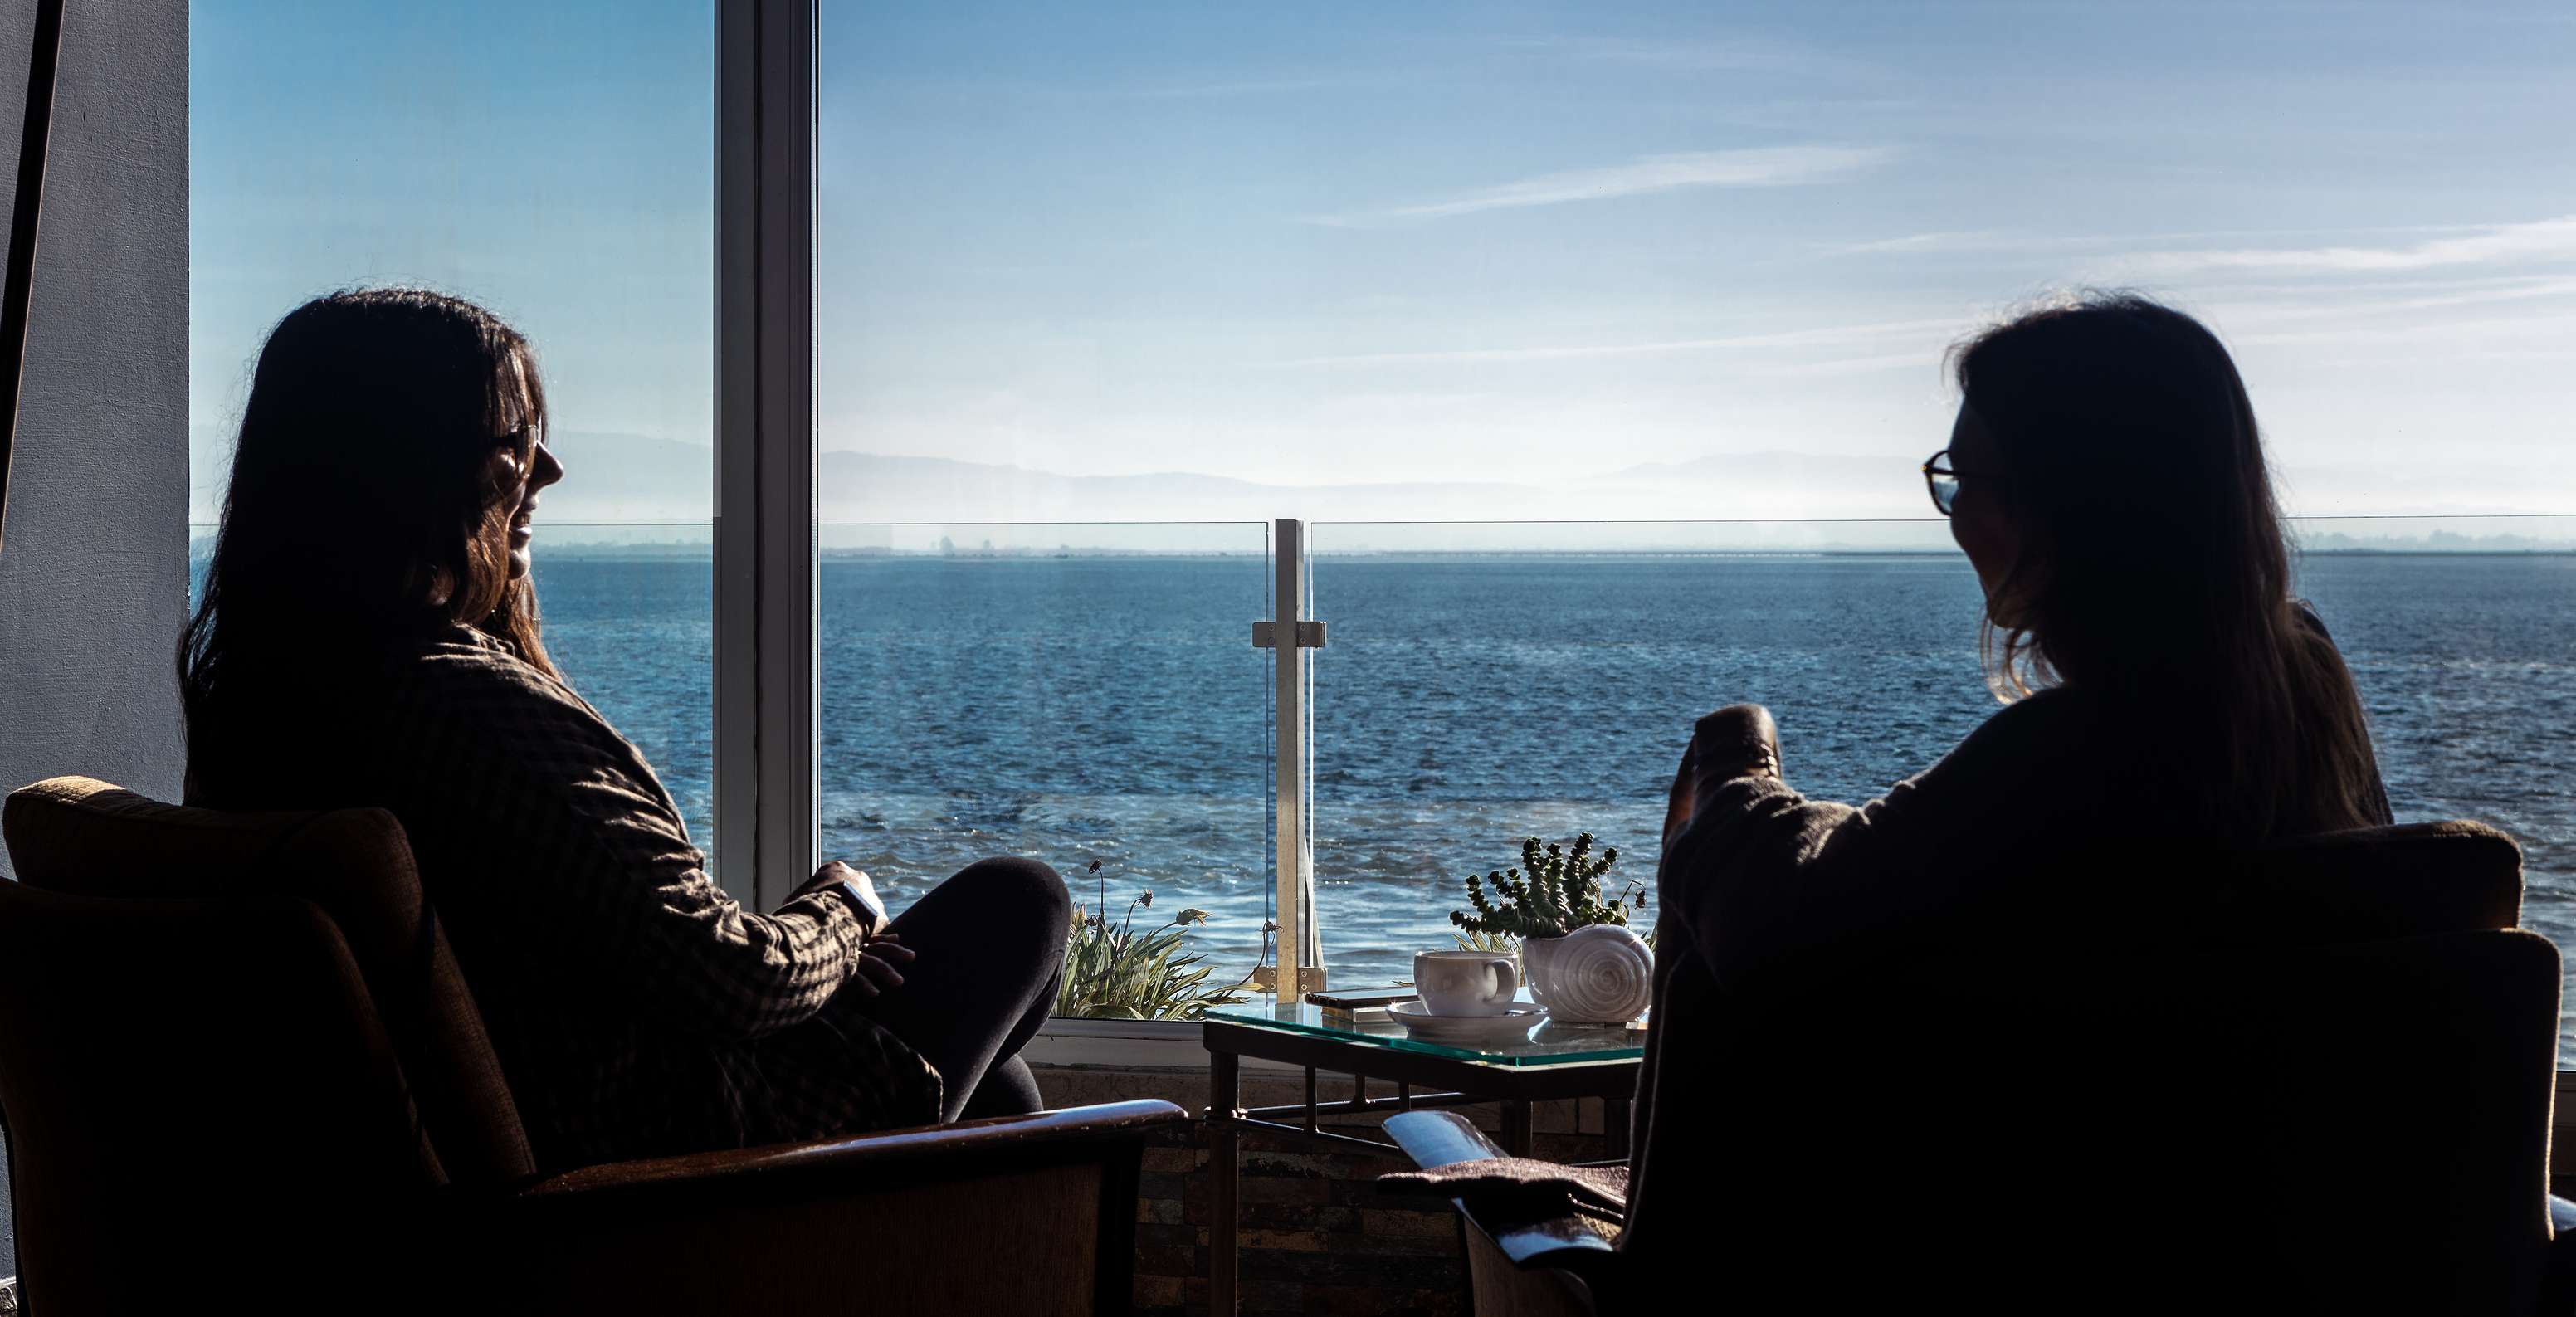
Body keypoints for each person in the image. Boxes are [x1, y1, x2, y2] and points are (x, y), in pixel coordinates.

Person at [180, 287, 1068, 1171]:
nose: (547, 471)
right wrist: (841, 913)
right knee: (1020, 902)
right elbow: (727, 977)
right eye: (511, 443)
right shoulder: (466, 712)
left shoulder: (260, 705)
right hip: (656, 1164)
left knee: (1002, 1095)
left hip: (540, 1133)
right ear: (405, 469)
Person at [1625, 292, 2393, 1301]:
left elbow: (1771, 925)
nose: (1956, 519)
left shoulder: (2092, 747)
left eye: (1965, 482)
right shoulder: (2297, 715)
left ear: (2067, 505)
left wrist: (1734, 764)